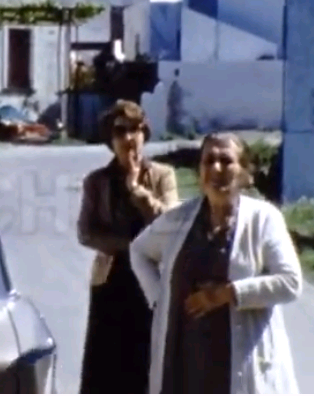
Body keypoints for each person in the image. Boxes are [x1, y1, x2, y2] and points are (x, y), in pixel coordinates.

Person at [130, 132, 302, 394]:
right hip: (186, 364)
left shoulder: (263, 219)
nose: (216, 168)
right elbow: (139, 251)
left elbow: (290, 282)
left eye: (226, 161)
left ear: (245, 173)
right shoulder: (179, 220)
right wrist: (159, 297)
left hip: (243, 364)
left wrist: (228, 293)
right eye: (208, 161)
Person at [77, 100, 180, 394]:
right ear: (111, 140)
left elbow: (170, 223)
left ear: (145, 134)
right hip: (112, 278)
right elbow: (86, 232)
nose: (129, 138)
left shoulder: (163, 175)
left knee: (148, 357)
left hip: (152, 278)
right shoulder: (97, 182)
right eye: (120, 131)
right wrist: (132, 246)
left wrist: (138, 191)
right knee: (106, 362)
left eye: (135, 130)